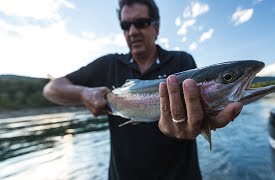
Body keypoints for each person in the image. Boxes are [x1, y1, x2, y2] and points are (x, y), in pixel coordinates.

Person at [43, 0, 243, 179]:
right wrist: (83, 93)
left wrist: (203, 122)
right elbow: (51, 89)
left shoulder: (182, 60)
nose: (132, 31)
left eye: (141, 23)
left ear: (156, 27)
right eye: (125, 25)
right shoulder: (108, 64)